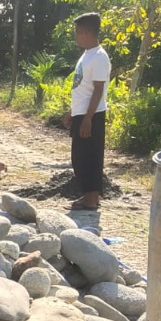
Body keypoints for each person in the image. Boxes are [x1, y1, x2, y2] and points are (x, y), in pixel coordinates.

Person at [62, 11, 110, 212]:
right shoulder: (86, 55)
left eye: (77, 32)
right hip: (82, 113)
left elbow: (98, 90)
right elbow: (82, 87)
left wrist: (88, 119)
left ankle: (92, 199)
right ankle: (89, 196)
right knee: (80, 157)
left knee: (90, 156)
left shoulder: (99, 57)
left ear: (86, 32)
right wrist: (73, 112)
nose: (76, 36)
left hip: (92, 115)